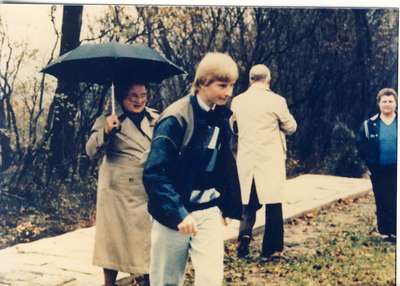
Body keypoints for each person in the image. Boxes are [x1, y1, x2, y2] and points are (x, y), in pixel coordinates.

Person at [143, 52, 242, 286]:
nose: (228, 92)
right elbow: (154, 173)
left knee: (210, 279)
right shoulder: (175, 118)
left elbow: (223, 163)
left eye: (232, 86)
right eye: (222, 85)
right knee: (166, 281)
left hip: (207, 210)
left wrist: (228, 204)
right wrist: (178, 212)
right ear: (202, 83)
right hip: (173, 214)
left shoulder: (222, 116)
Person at [86, 82, 158, 286]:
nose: (139, 100)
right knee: (113, 241)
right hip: (116, 191)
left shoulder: (155, 118)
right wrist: (106, 132)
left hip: (146, 187)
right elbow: (90, 150)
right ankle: (109, 283)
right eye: (133, 96)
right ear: (122, 97)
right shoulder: (109, 118)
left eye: (143, 95)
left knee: (146, 238)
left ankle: (146, 278)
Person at [231, 64, 297, 260]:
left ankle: (244, 235)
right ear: (268, 79)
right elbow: (291, 126)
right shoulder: (277, 101)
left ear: (250, 79)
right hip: (269, 159)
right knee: (273, 203)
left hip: (246, 157)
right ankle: (271, 249)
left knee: (247, 202)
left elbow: (233, 127)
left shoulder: (238, 101)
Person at [357, 88, 397, 239]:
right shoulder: (369, 124)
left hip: (396, 169)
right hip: (378, 169)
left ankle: (396, 230)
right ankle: (386, 231)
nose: (387, 104)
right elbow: (361, 145)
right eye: (384, 101)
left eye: (391, 101)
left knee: (396, 198)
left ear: (396, 103)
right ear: (379, 104)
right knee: (382, 198)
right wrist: (369, 164)